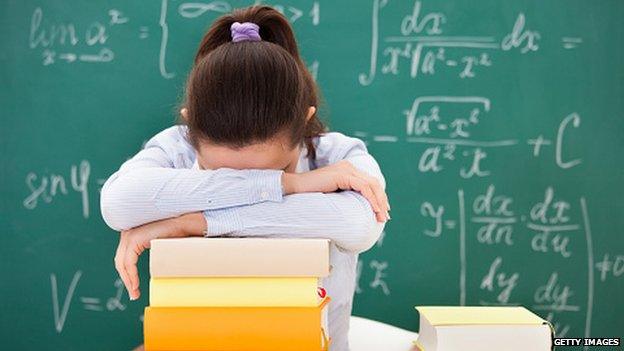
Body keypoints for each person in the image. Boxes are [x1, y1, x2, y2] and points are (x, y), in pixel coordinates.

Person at [99, 5, 390, 351]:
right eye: (222, 176)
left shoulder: (339, 157)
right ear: (190, 127)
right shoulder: (177, 147)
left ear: (304, 122)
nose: (243, 184)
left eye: (274, 170)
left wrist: (196, 222)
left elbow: (359, 225)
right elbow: (117, 203)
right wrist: (286, 184)